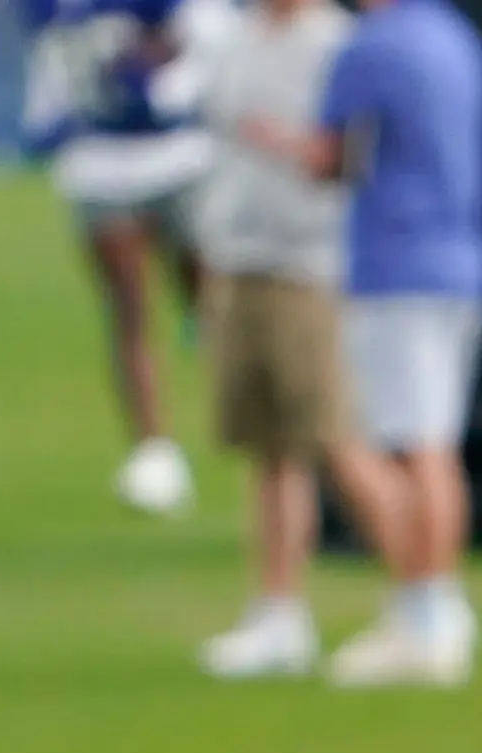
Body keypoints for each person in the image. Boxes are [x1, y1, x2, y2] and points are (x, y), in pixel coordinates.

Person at [273, 0, 482, 688]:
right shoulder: (456, 36)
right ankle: (431, 606)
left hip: (397, 265)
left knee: (411, 444)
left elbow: (327, 157)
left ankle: (427, 610)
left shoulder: (370, 47)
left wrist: (260, 138)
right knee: (434, 443)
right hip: (462, 258)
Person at [189, 0, 353, 678]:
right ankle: (279, 610)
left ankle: (424, 597)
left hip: (304, 265)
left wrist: (280, 141)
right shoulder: (235, 37)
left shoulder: (336, 45)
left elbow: (340, 154)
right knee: (268, 449)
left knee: (333, 441)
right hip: (237, 257)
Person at [22, 0, 224, 517]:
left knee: (215, 304)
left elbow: (197, 38)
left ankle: (263, 427)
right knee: (131, 308)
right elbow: (54, 51)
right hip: (103, 164)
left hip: (181, 156)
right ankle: (154, 449)